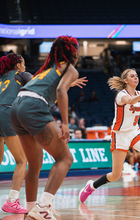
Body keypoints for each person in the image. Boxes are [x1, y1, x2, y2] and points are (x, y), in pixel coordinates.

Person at [10, 36, 86, 220]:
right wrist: (66, 123)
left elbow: (51, 85)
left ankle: (31, 209)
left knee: (34, 165)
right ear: (73, 51)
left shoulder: (49, 68)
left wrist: (67, 83)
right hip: (34, 108)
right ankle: (43, 207)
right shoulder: (70, 68)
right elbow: (60, 90)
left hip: (17, 107)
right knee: (65, 158)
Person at [79, 68, 140, 204]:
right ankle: (91, 186)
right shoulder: (120, 95)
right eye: (132, 76)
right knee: (115, 175)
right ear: (126, 80)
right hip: (120, 135)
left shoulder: (139, 94)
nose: (136, 78)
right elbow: (130, 101)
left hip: (134, 132)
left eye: (137, 75)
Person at [0, 53, 33, 214]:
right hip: (6, 112)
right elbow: (40, 85)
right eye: (24, 63)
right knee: (22, 160)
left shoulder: (1, 77)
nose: (25, 66)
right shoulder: (21, 75)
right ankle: (12, 201)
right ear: (18, 65)